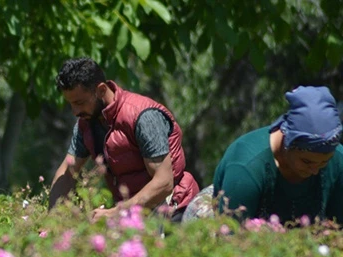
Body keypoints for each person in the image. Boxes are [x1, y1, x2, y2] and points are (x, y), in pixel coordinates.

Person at [49, 57, 199, 222]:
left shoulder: (143, 116)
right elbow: (66, 174)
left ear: (101, 90)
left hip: (175, 211)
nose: (75, 111)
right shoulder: (85, 124)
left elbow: (164, 183)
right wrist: (51, 223)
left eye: (80, 102)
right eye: (71, 104)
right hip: (132, 215)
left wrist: (114, 213)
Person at [185, 86, 343, 224]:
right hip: (222, 213)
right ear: (286, 142)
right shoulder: (246, 169)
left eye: (323, 163)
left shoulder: (339, 162)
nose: (315, 171)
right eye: (307, 161)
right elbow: (230, 242)